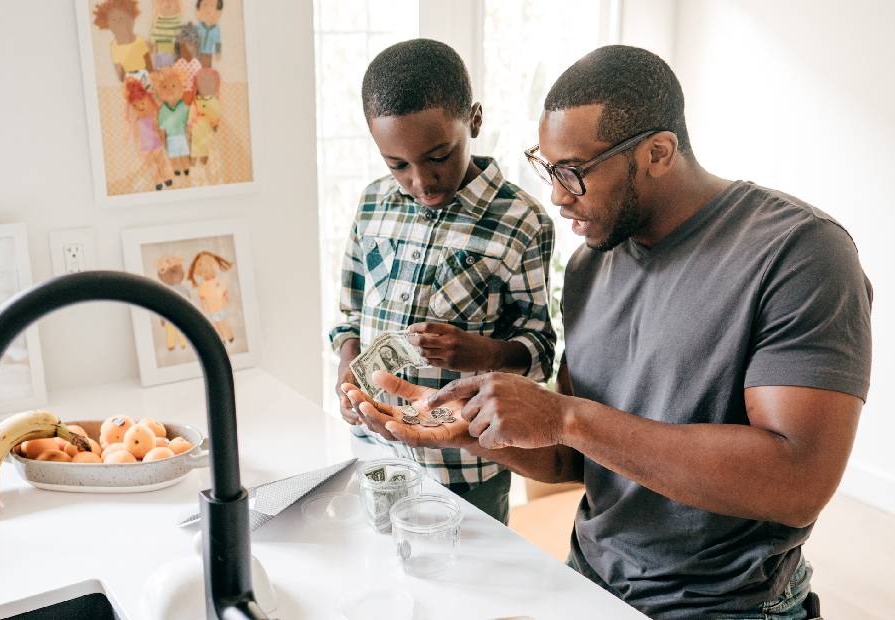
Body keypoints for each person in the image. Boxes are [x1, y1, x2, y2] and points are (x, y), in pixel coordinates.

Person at [346, 45, 872, 619]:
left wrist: (563, 415)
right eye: (548, 169)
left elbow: (798, 483)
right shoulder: (588, 267)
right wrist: (469, 431)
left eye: (572, 172)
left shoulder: (799, 253)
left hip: (730, 605)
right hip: (590, 581)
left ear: (657, 152)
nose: (556, 194)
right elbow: (577, 459)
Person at [329, 38, 556, 525]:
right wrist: (348, 369)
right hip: (375, 452)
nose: (422, 181)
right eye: (398, 165)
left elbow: (538, 349)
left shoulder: (522, 222)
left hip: (467, 466)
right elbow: (349, 314)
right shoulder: (372, 205)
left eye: (438, 156)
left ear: (473, 121)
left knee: (466, 588)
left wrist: (481, 354)